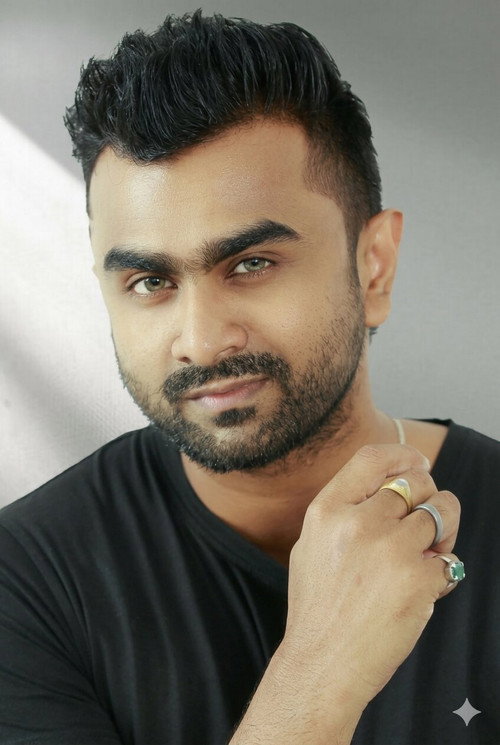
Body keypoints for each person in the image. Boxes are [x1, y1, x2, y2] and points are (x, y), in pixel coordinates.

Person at [0, 9, 498, 745]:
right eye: (150, 281)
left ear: (374, 266)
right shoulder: (26, 584)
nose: (201, 340)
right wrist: (318, 675)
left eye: (252, 263)